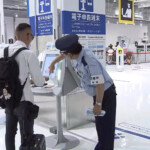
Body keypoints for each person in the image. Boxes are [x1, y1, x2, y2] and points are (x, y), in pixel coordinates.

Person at [49, 34, 117, 150]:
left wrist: (98, 104)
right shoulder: (77, 54)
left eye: (65, 54)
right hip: (98, 94)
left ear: (70, 54)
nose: (64, 56)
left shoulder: (88, 60)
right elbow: (63, 55)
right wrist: (53, 63)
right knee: (100, 128)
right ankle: (102, 146)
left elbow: (99, 83)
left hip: (105, 95)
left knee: (106, 130)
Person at [0, 23, 45, 150]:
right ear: (27, 35)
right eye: (32, 35)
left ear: (15, 37)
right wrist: (42, 80)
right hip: (24, 102)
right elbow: (39, 82)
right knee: (27, 136)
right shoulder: (29, 54)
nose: (31, 38)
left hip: (8, 99)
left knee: (9, 133)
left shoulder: (3, 52)